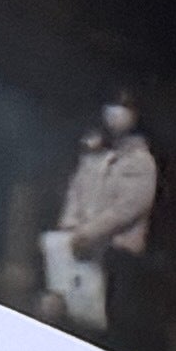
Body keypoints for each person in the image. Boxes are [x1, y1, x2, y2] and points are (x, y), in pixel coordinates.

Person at [39, 91, 156, 331]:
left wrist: (90, 233)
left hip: (116, 253)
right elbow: (76, 189)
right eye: (112, 104)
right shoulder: (93, 154)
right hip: (79, 247)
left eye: (123, 107)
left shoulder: (140, 161)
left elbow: (128, 208)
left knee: (107, 322)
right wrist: (70, 224)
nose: (115, 112)